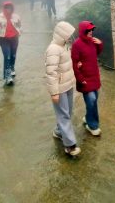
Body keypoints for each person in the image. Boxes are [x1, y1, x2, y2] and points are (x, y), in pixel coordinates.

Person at [46, 21, 81, 157]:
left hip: (68, 85)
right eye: (68, 35)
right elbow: (51, 73)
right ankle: (69, 145)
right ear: (61, 35)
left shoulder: (65, 46)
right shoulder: (53, 49)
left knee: (68, 112)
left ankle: (59, 131)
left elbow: (66, 63)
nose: (70, 37)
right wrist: (54, 92)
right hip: (59, 89)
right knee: (64, 115)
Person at [71, 21, 103, 136]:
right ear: (83, 31)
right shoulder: (76, 45)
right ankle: (92, 125)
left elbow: (97, 53)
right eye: (88, 30)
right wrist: (80, 79)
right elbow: (75, 64)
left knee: (94, 100)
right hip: (85, 79)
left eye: (92, 30)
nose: (91, 32)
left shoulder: (92, 41)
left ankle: (88, 117)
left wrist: (99, 44)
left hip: (94, 76)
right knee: (92, 100)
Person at [0, 1, 21, 86]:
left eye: (10, 7)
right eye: (6, 7)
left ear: (12, 8)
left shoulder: (16, 16)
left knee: (13, 56)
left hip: (15, 39)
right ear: (4, 8)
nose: (8, 9)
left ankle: (12, 68)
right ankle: (8, 77)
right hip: (4, 40)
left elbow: (19, 25)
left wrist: (19, 27)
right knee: (7, 57)